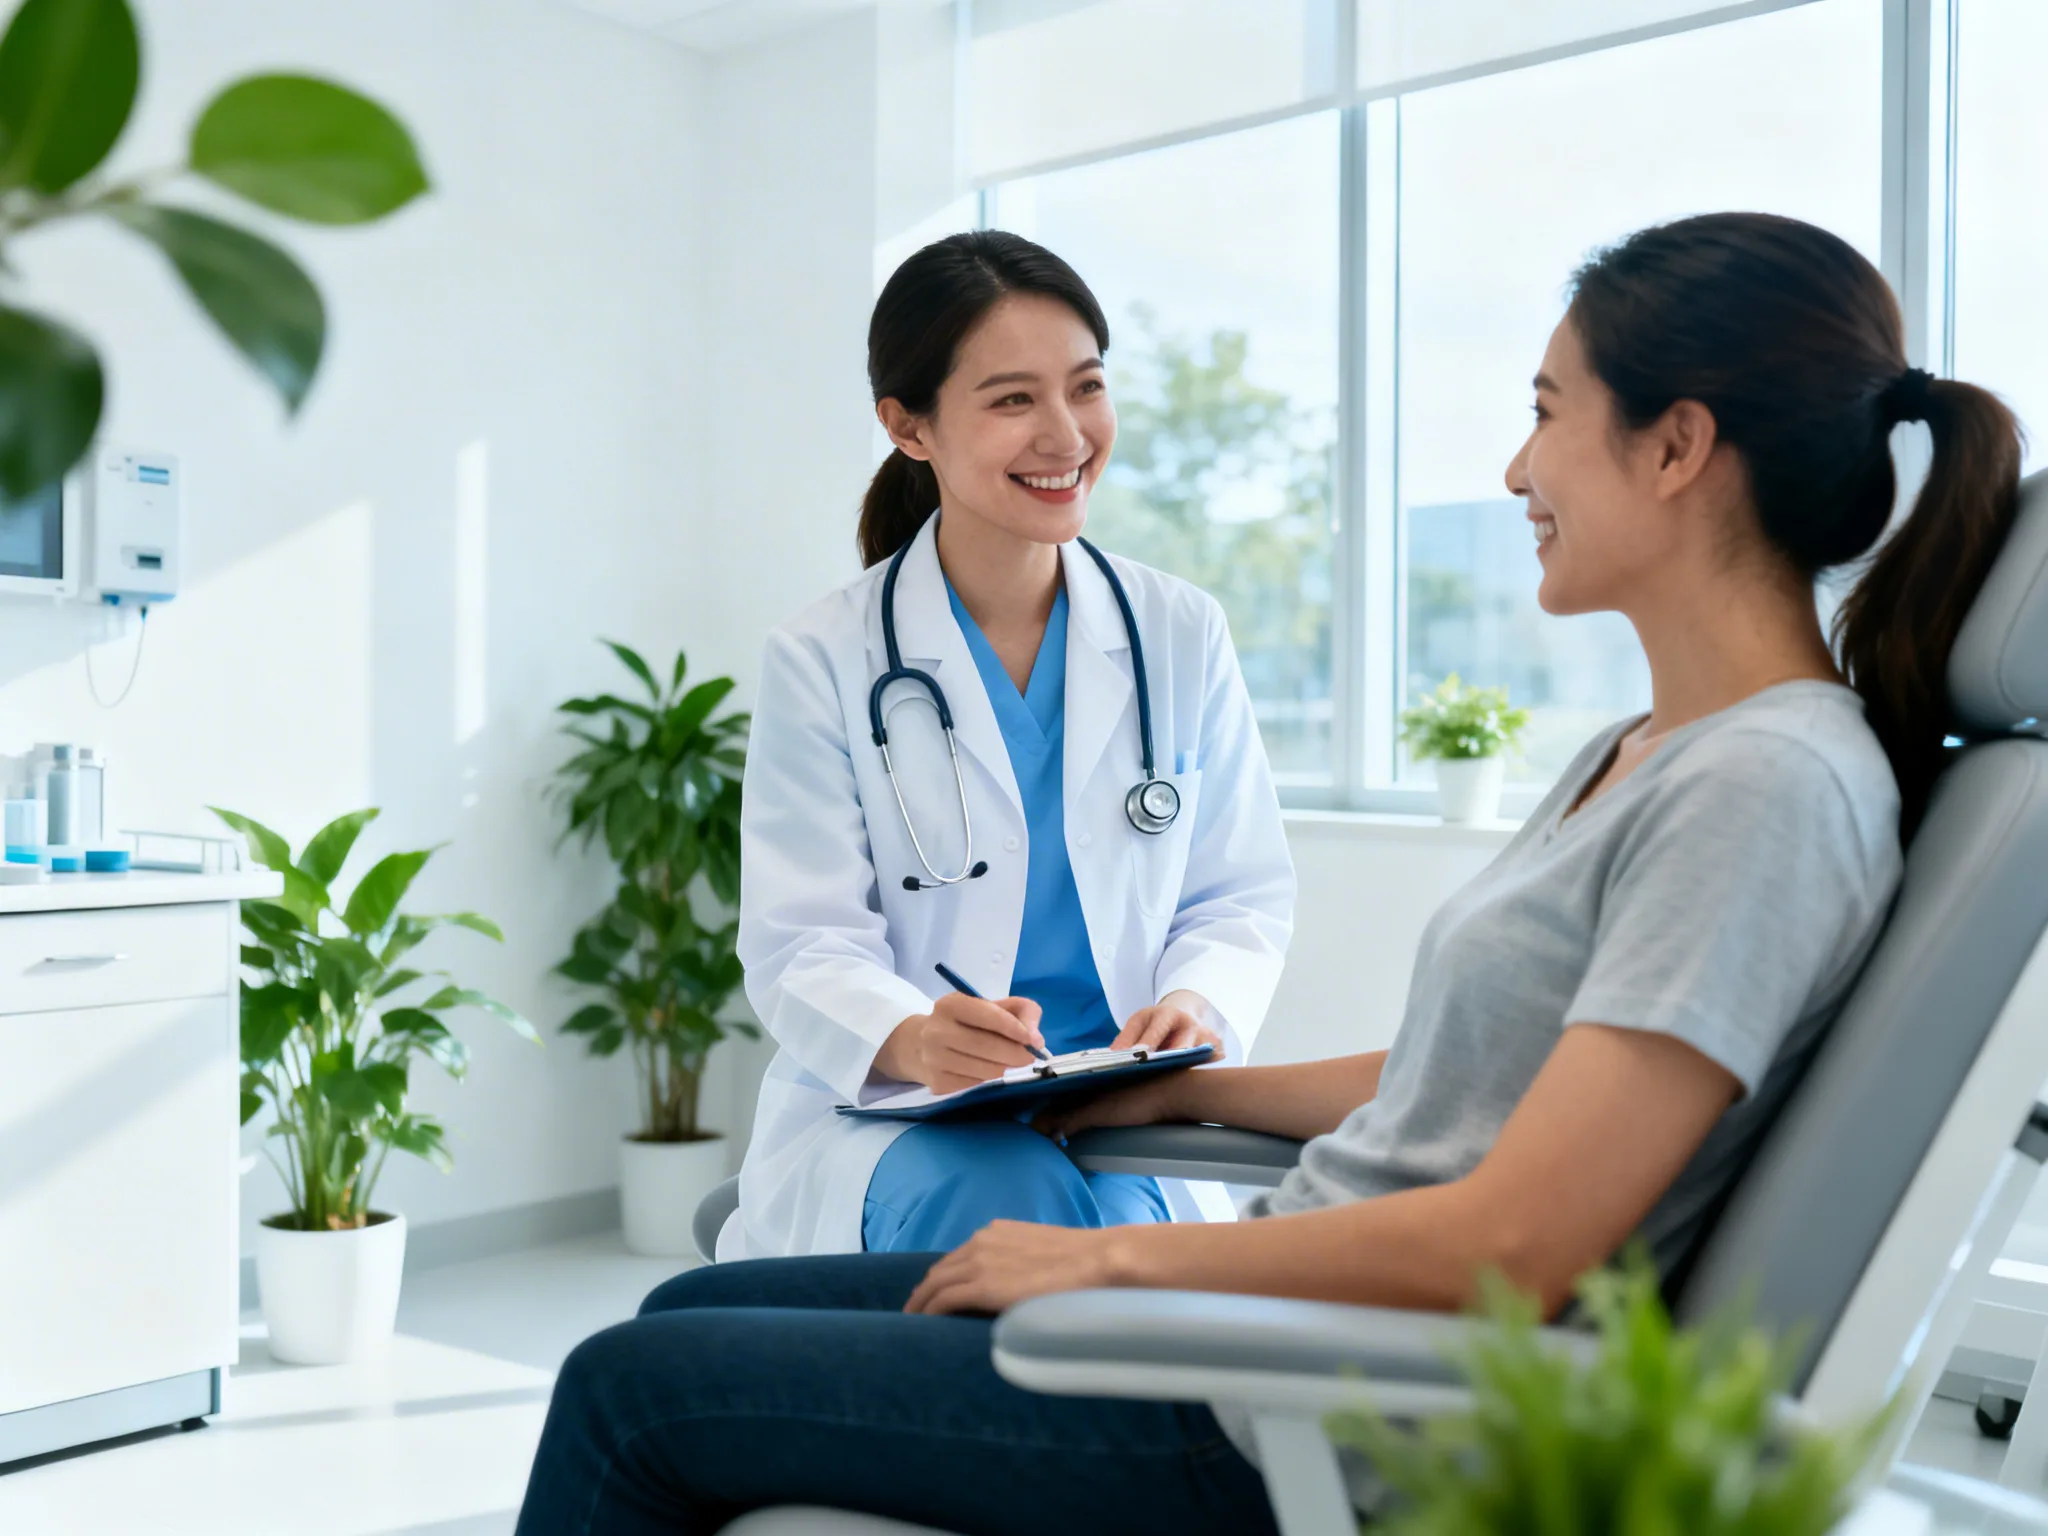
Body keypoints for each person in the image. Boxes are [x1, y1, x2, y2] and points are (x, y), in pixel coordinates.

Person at [516, 213, 2024, 1536]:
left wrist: (1120, 1274)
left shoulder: (1764, 785)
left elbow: (1517, 1243)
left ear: (1680, 446)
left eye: (1548, 410)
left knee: (626, 1390)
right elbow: (1481, 1074)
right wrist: (1189, 1092)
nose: (1512, 464)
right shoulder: (1657, 751)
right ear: (912, 427)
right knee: (695, 1306)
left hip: (1304, 1395)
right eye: (1013, 398)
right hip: (1281, 1323)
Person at [720, 231, 1296, 1262]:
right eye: (1011, 399)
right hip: (904, 1116)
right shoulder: (822, 656)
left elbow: (1237, 893)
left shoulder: (1177, 631)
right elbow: (801, 941)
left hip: (1116, 1103)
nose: (1066, 433)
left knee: (1118, 1243)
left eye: (1085, 387)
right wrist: (909, 1035)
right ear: (909, 428)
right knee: (1014, 1213)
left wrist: (1194, 997)